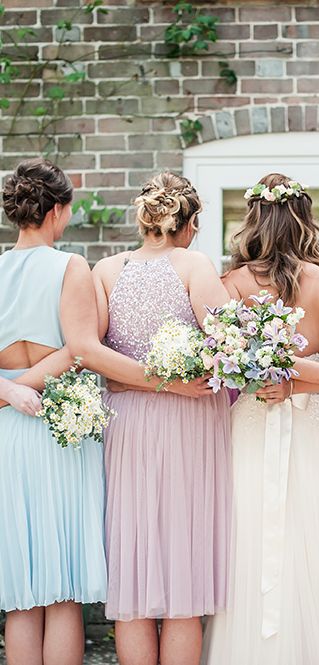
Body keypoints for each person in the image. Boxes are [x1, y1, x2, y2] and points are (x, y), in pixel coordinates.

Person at [202, 173, 319, 665]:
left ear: (253, 221)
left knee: (257, 543)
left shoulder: (228, 284)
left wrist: (286, 375)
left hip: (253, 424)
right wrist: (318, 376)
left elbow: (235, 360)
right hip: (304, 429)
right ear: (305, 221)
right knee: (302, 546)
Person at [92, 172, 232, 665]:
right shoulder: (194, 263)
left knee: (133, 566)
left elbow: (95, 357)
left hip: (127, 423)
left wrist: (133, 381)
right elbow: (229, 348)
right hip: (187, 422)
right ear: (188, 223)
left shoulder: (106, 270)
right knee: (184, 574)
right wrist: (181, 380)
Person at [0, 157, 107, 665]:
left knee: (21, 592)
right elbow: (79, 350)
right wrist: (22, 389)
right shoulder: (71, 266)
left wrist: (9, 391)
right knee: (61, 588)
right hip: (56, 425)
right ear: (58, 212)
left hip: (8, 430)